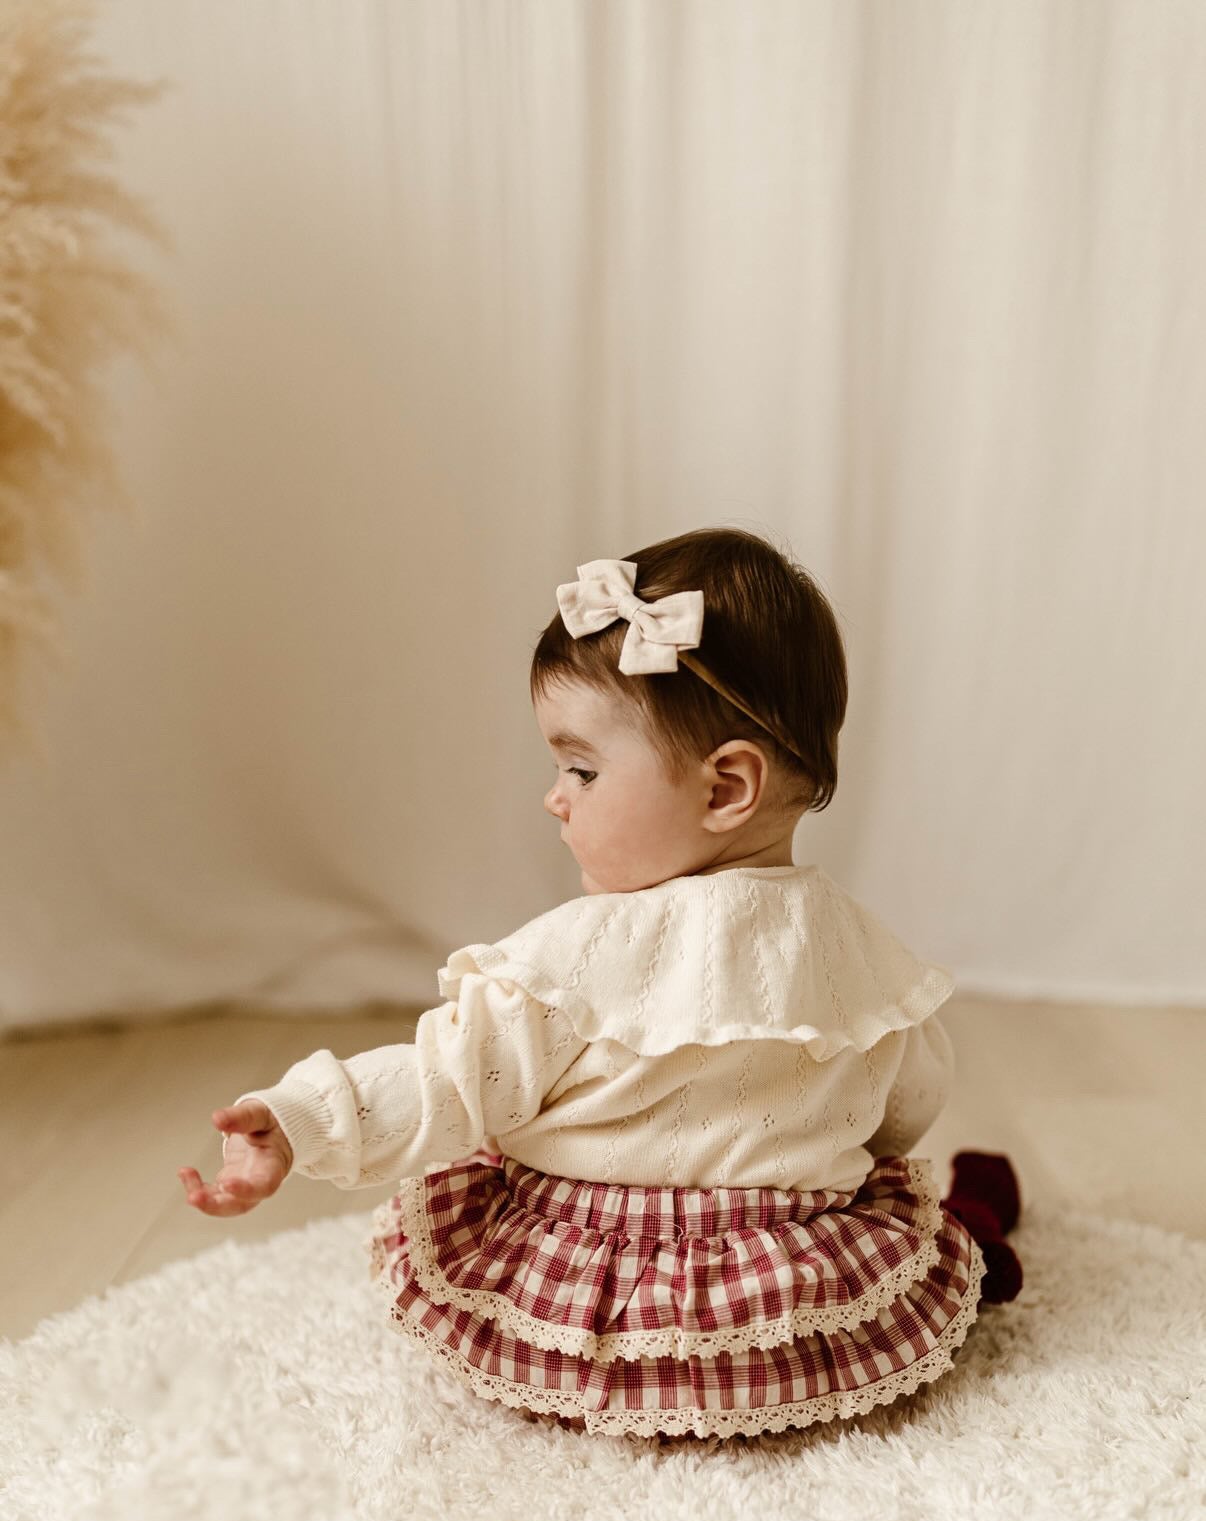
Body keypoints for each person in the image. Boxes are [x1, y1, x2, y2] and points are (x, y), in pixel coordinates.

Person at [177, 527, 1022, 1441]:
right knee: (927, 1227)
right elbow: (905, 1104)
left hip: (596, 1302)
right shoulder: (853, 948)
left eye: (581, 768)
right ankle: (973, 1227)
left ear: (725, 787)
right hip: (778, 1306)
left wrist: (300, 1119)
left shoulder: (573, 954)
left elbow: (443, 1081)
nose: (556, 795)